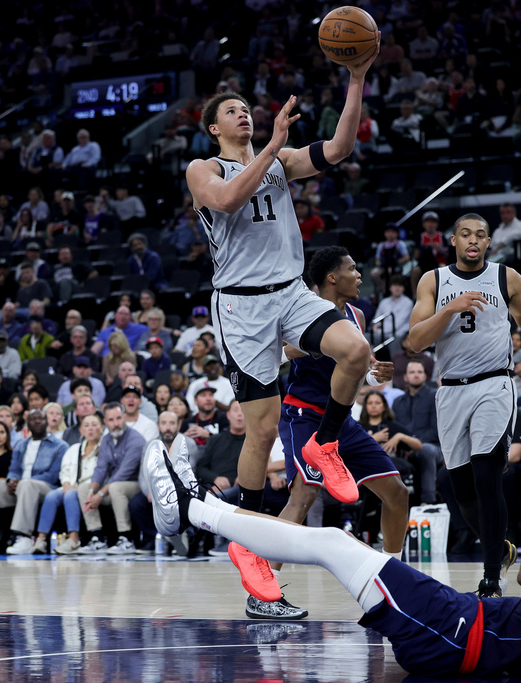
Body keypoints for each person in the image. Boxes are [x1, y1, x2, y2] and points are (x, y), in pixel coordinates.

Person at [145, 420, 521, 677]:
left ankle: (192, 511)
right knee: (337, 545)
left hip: (455, 632)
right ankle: (197, 508)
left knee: (336, 544)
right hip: (456, 627)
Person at [185, 50, 380, 602]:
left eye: (246, 107)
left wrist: (356, 79)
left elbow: (340, 149)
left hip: (290, 293)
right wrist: (271, 145)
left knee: (355, 349)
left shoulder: (280, 160)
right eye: (231, 110)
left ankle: (324, 444)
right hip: (241, 308)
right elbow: (225, 200)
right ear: (212, 128)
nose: (243, 114)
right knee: (263, 430)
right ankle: (249, 545)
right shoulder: (204, 169)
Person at [407, 212, 521, 597]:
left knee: (487, 476)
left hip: (495, 384)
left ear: (489, 242)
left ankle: (491, 577)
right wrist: (450, 309)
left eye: (481, 235)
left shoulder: (508, 277)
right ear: (452, 240)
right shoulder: (433, 280)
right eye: (465, 234)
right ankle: (499, 548)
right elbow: (415, 342)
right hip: (450, 389)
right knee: (461, 489)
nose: (473, 240)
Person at [270, 248, 408, 619]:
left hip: (340, 418)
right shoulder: (304, 308)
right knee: (303, 497)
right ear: (332, 277)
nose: (359, 274)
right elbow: (278, 353)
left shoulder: (357, 315)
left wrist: (373, 370)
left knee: (397, 493)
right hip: (304, 415)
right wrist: (316, 345)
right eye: (352, 268)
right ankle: (264, 594)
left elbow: (353, 368)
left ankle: (394, 579)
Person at [0, 409, 68, 555]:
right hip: (19, 487)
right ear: (28, 424)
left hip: (46, 489)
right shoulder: (21, 444)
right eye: (33, 419)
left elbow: (53, 476)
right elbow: (14, 469)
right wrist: (11, 480)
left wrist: (21, 482)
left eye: (41, 418)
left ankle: (24, 537)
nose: (37, 421)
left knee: (27, 484)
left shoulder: (60, 446)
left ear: (47, 422)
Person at [80, 403, 148, 554]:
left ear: (124, 418)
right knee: (84, 488)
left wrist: (100, 494)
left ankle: (126, 539)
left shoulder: (136, 440)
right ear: (105, 422)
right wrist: (92, 492)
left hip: (137, 486)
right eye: (111, 420)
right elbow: (101, 469)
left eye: (118, 418)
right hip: (113, 487)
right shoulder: (106, 440)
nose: (116, 424)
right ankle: (96, 538)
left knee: (116, 487)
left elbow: (123, 473)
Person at [37, 413, 104, 555]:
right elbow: (65, 470)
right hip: (69, 485)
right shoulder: (74, 449)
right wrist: (66, 483)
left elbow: (101, 474)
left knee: (70, 495)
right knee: (51, 496)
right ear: (81, 430)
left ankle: (73, 538)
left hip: (87, 488)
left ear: (101, 428)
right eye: (86, 425)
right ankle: (41, 539)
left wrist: (77, 488)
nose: (90, 429)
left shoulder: (104, 449)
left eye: (94, 425)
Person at [391, 360, 444, 504]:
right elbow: (394, 428)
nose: (416, 375)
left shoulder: (435, 396)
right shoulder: (398, 402)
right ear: (405, 377)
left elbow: (436, 430)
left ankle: (428, 501)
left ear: (425, 376)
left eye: (419, 372)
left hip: (433, 447)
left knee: (425, 451)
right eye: (412, 372)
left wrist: (414, 444)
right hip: (404, 448)